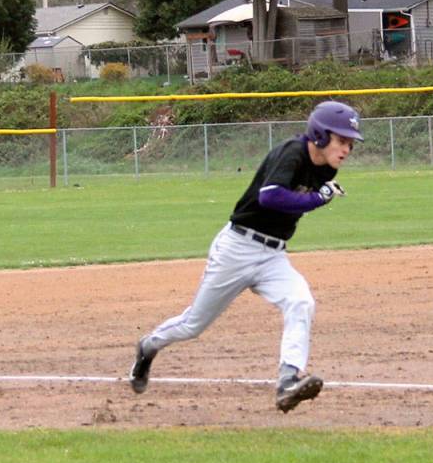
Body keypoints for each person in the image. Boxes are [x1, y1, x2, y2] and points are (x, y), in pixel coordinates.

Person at [129, 101, 362, 413]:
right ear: (320, 135)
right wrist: (318, 199)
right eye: (342, 140)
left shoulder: (327, 167)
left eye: (350, 143)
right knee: (193, 325)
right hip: (237, 249)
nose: (347, 149)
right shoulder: (292, 152)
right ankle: (149, 346)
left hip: (273, 255)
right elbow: (270, 196)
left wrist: (315, 198)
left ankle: (288, 380)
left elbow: (296, 204)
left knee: (301, 301)